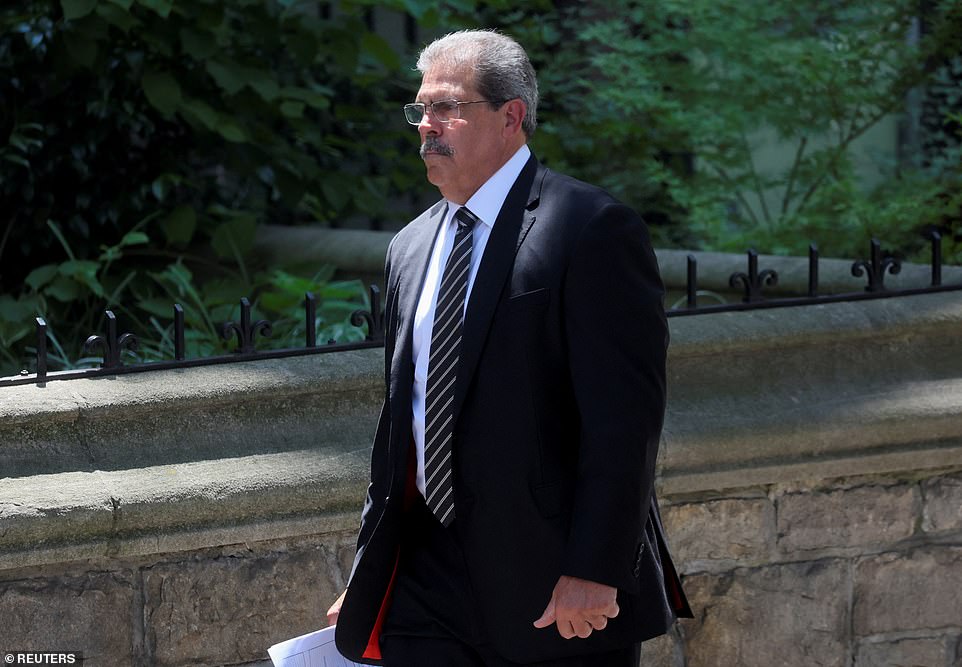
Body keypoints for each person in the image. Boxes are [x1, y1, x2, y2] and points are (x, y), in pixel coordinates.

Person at [327, 29, 691, 666]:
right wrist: (371, 568)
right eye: (420, 110)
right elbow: (402, 424)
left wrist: (594, 569)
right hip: (425, 580)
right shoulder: (409, 247)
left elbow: (624, 422)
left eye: (448, 108)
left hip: (553, 588)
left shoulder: (589, 227)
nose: (426, 127)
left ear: (511, 116)